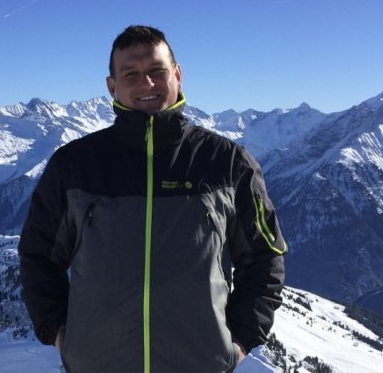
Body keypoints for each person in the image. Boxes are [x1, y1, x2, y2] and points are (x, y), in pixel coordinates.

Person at [18, 25, 286, 373]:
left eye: (157, 71)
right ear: (112, 86)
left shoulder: (227, 163)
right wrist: (61, 335)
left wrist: (237, 343)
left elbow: (265, 256)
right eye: (131, 74)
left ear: (177, 75)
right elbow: (38, 255)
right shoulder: (74, 166)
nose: (146, 84)